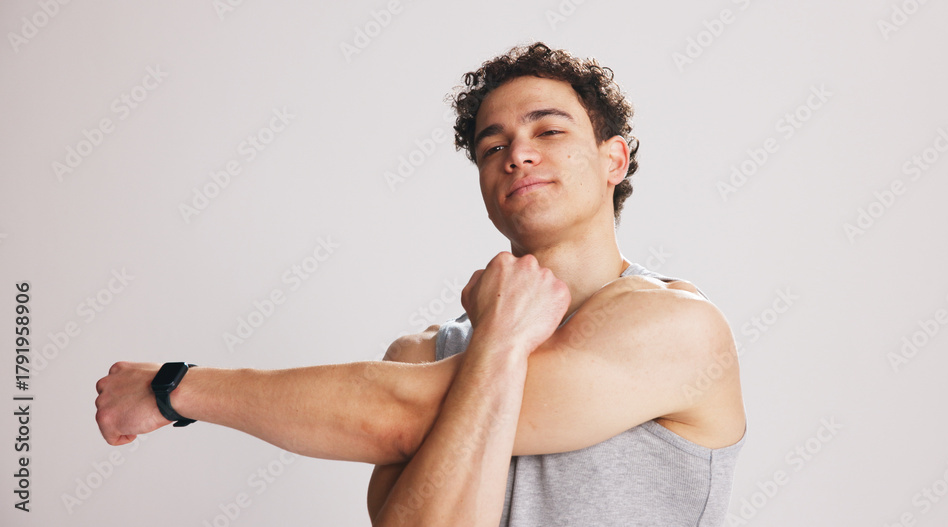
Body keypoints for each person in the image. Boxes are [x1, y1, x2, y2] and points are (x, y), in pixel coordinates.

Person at [95, 42, 746, 526]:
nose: (518, 153)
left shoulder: (680, 329)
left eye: (549, 130)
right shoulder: (420, 354)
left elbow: (396, 413)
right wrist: (498, 341)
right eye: (493, 146)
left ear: (614, 158)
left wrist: (174, 387)